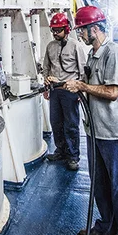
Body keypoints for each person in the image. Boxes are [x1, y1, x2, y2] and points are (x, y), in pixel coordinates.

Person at [64, 6, 118, 235]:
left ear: (94, 29)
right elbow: (91, 85)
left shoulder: (114, 53)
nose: (80, 36)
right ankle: (107, 225)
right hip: (95, 130)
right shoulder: (93, 55)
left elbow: (112, 92)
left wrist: (83, 87)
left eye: (82, 31)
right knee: (100, 183)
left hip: (112, 131)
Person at [42, 12, 87, 171]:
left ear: (66, 29)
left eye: (58, 30)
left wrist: (82, 90)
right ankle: (60, 151)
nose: (55, 33)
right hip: (55, 92)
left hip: (70, 91)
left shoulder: (76, 46)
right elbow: (46, 67)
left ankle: (73, 156)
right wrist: (46, 86)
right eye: (53, 30)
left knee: (71, 125)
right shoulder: (50, 46)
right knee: (56, 123)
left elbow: (83, 70)